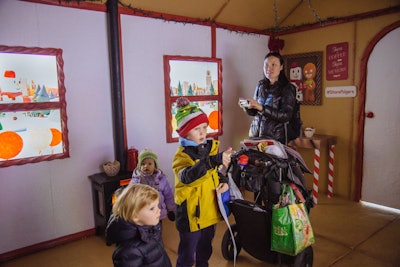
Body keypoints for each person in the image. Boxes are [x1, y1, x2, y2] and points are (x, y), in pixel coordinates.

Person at [172, 97, 234, 267]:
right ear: (184, 133)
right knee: (186, 256)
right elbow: (188, 177)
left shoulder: (209, 148)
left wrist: (224, 181)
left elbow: (215, 173)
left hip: (209, 212)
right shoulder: (181, 156)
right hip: (191, 217)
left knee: (205, 251)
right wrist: (214, 161)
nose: (202, 132)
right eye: (196, 129)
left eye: (204, 127)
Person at [105, 183, 172, 267]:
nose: (159, 210)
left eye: (157, 206)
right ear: (135, 217)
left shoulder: (151, 228)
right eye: (152, 208)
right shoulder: (129, 251)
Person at [239, 51, 297, 145]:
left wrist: (262, 108)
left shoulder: (288, 88)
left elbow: (286, 116)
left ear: (281, 67)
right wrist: (246, 106)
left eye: (274, 65)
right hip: (255, 136)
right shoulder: (261, 85)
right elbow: (254, 111)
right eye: (266, 65)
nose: (269, 68)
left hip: (274, 139)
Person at [129, 148, 176, 221]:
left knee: (158, 230)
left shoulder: (162, 179)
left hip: (158, 212)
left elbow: (168, 195)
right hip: (143, 213)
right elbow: (130, 196)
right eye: (143, 164)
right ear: (139, 166)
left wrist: (171, 209)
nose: (146, 166)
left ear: (155, 165)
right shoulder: (136, 180)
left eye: (149, 164)